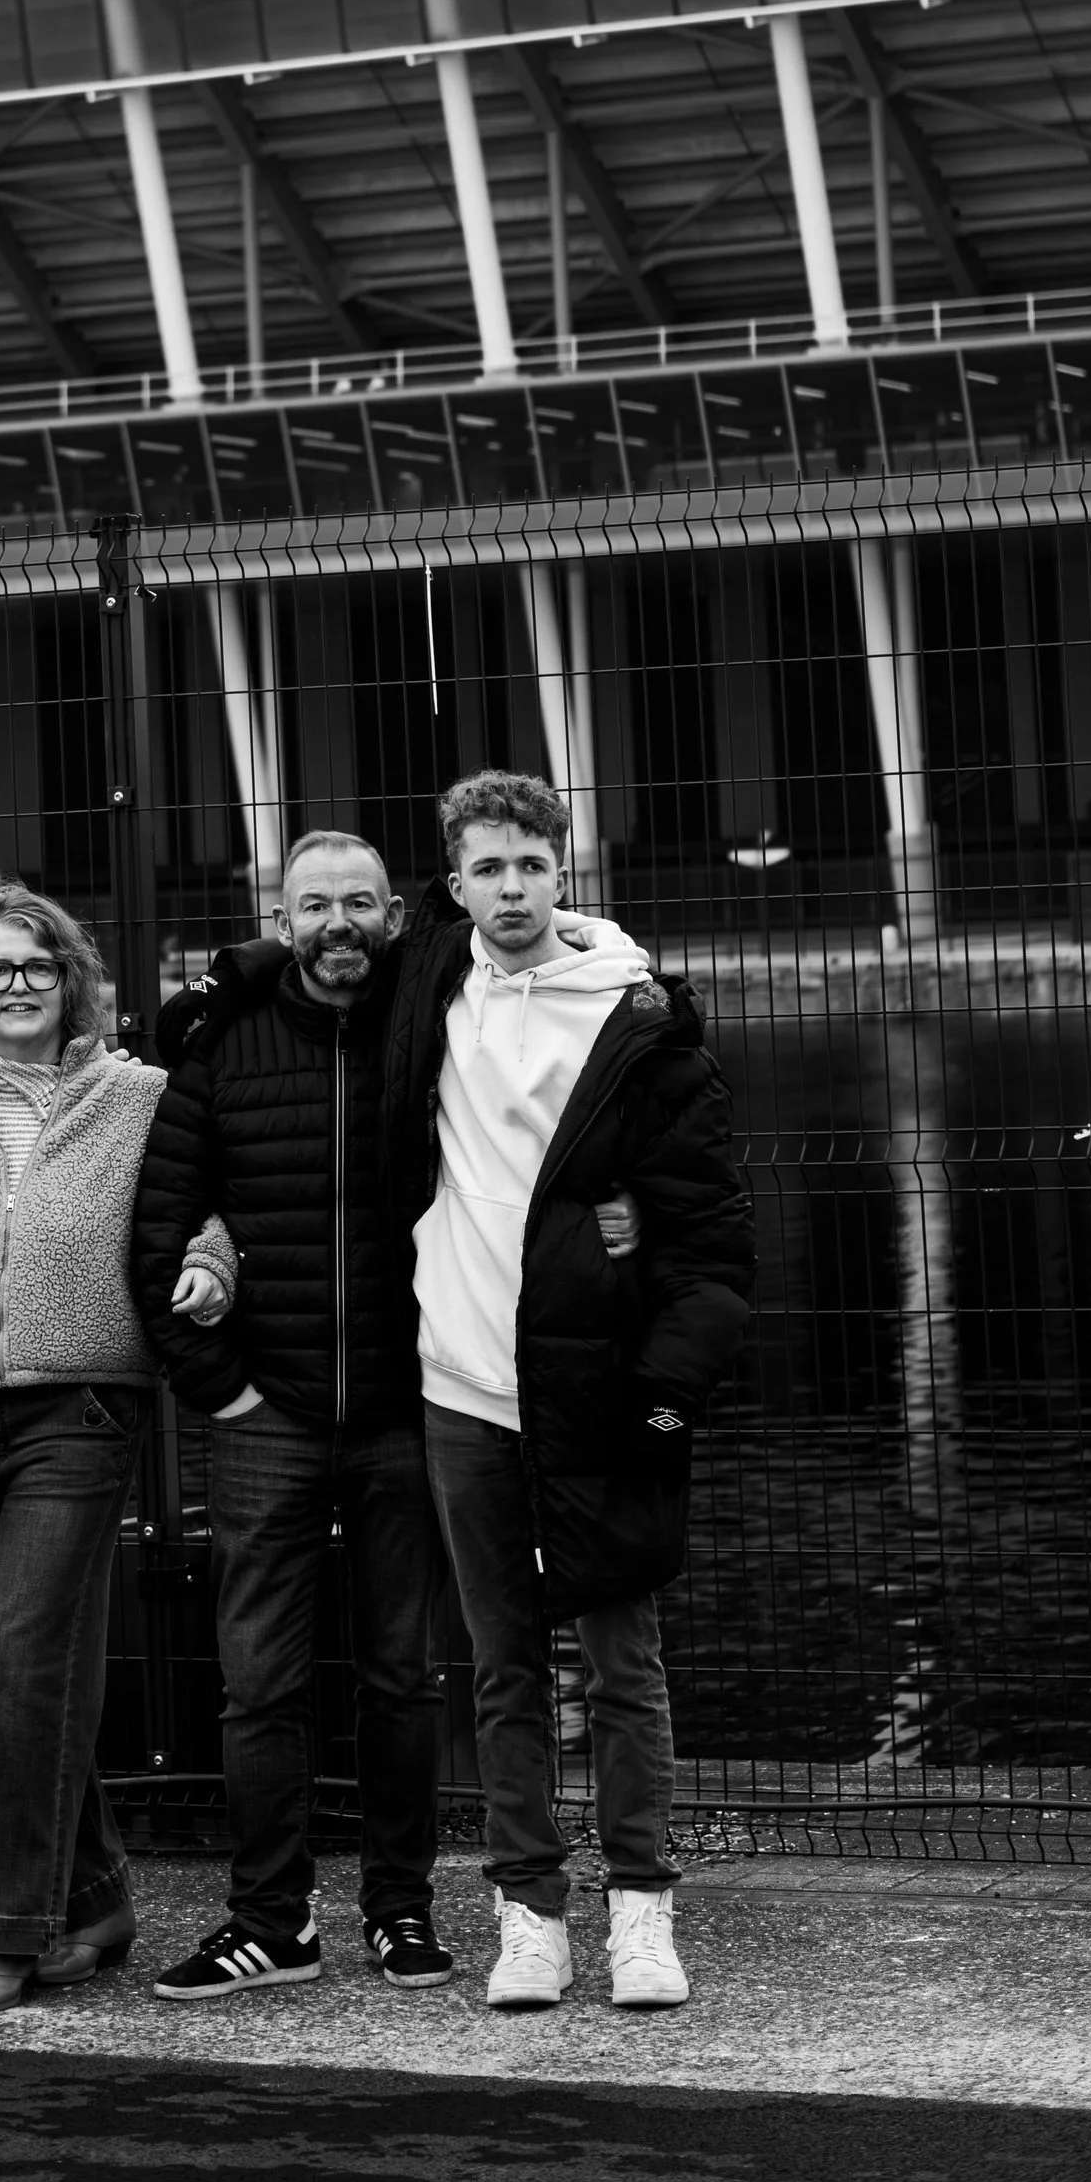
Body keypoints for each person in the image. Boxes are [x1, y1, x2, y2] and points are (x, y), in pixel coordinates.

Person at [383, 766, 756, 2015]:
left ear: (563, 873)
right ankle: (530, 1913)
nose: (510, 889)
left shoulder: (639, 1021)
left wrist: (664, 1395)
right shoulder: (429, 984)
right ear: (453, 887)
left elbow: (709, 1246)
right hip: (464, 1385)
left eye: (529, 865)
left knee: (621, 1664)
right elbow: (309, 957)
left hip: (595, 1393)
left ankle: (641, 1912)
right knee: (500, 1664)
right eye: (485, 868)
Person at [131, 829, 455, 2000]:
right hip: (265, 1414)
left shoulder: (433, 1032)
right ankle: (270, 1920)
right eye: (313, 904)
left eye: (359, 903)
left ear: (393, 917)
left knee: (400, 1676)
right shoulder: (221, 1048)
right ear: (281, 921)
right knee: (257, 1683)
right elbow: (155, 1232)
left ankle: (400, 1911)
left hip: (407, 1408)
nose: (337, 924)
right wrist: (220, 1387)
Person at [0, 882, 234, 2017]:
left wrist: (210, 1270)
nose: (15, 987)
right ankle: (93, 1896)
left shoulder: (134, 1097)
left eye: (36, 968)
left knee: (24, 1653)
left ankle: (1, 1929)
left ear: (71, 982)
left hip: (81, 1407)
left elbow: (208, 1204)